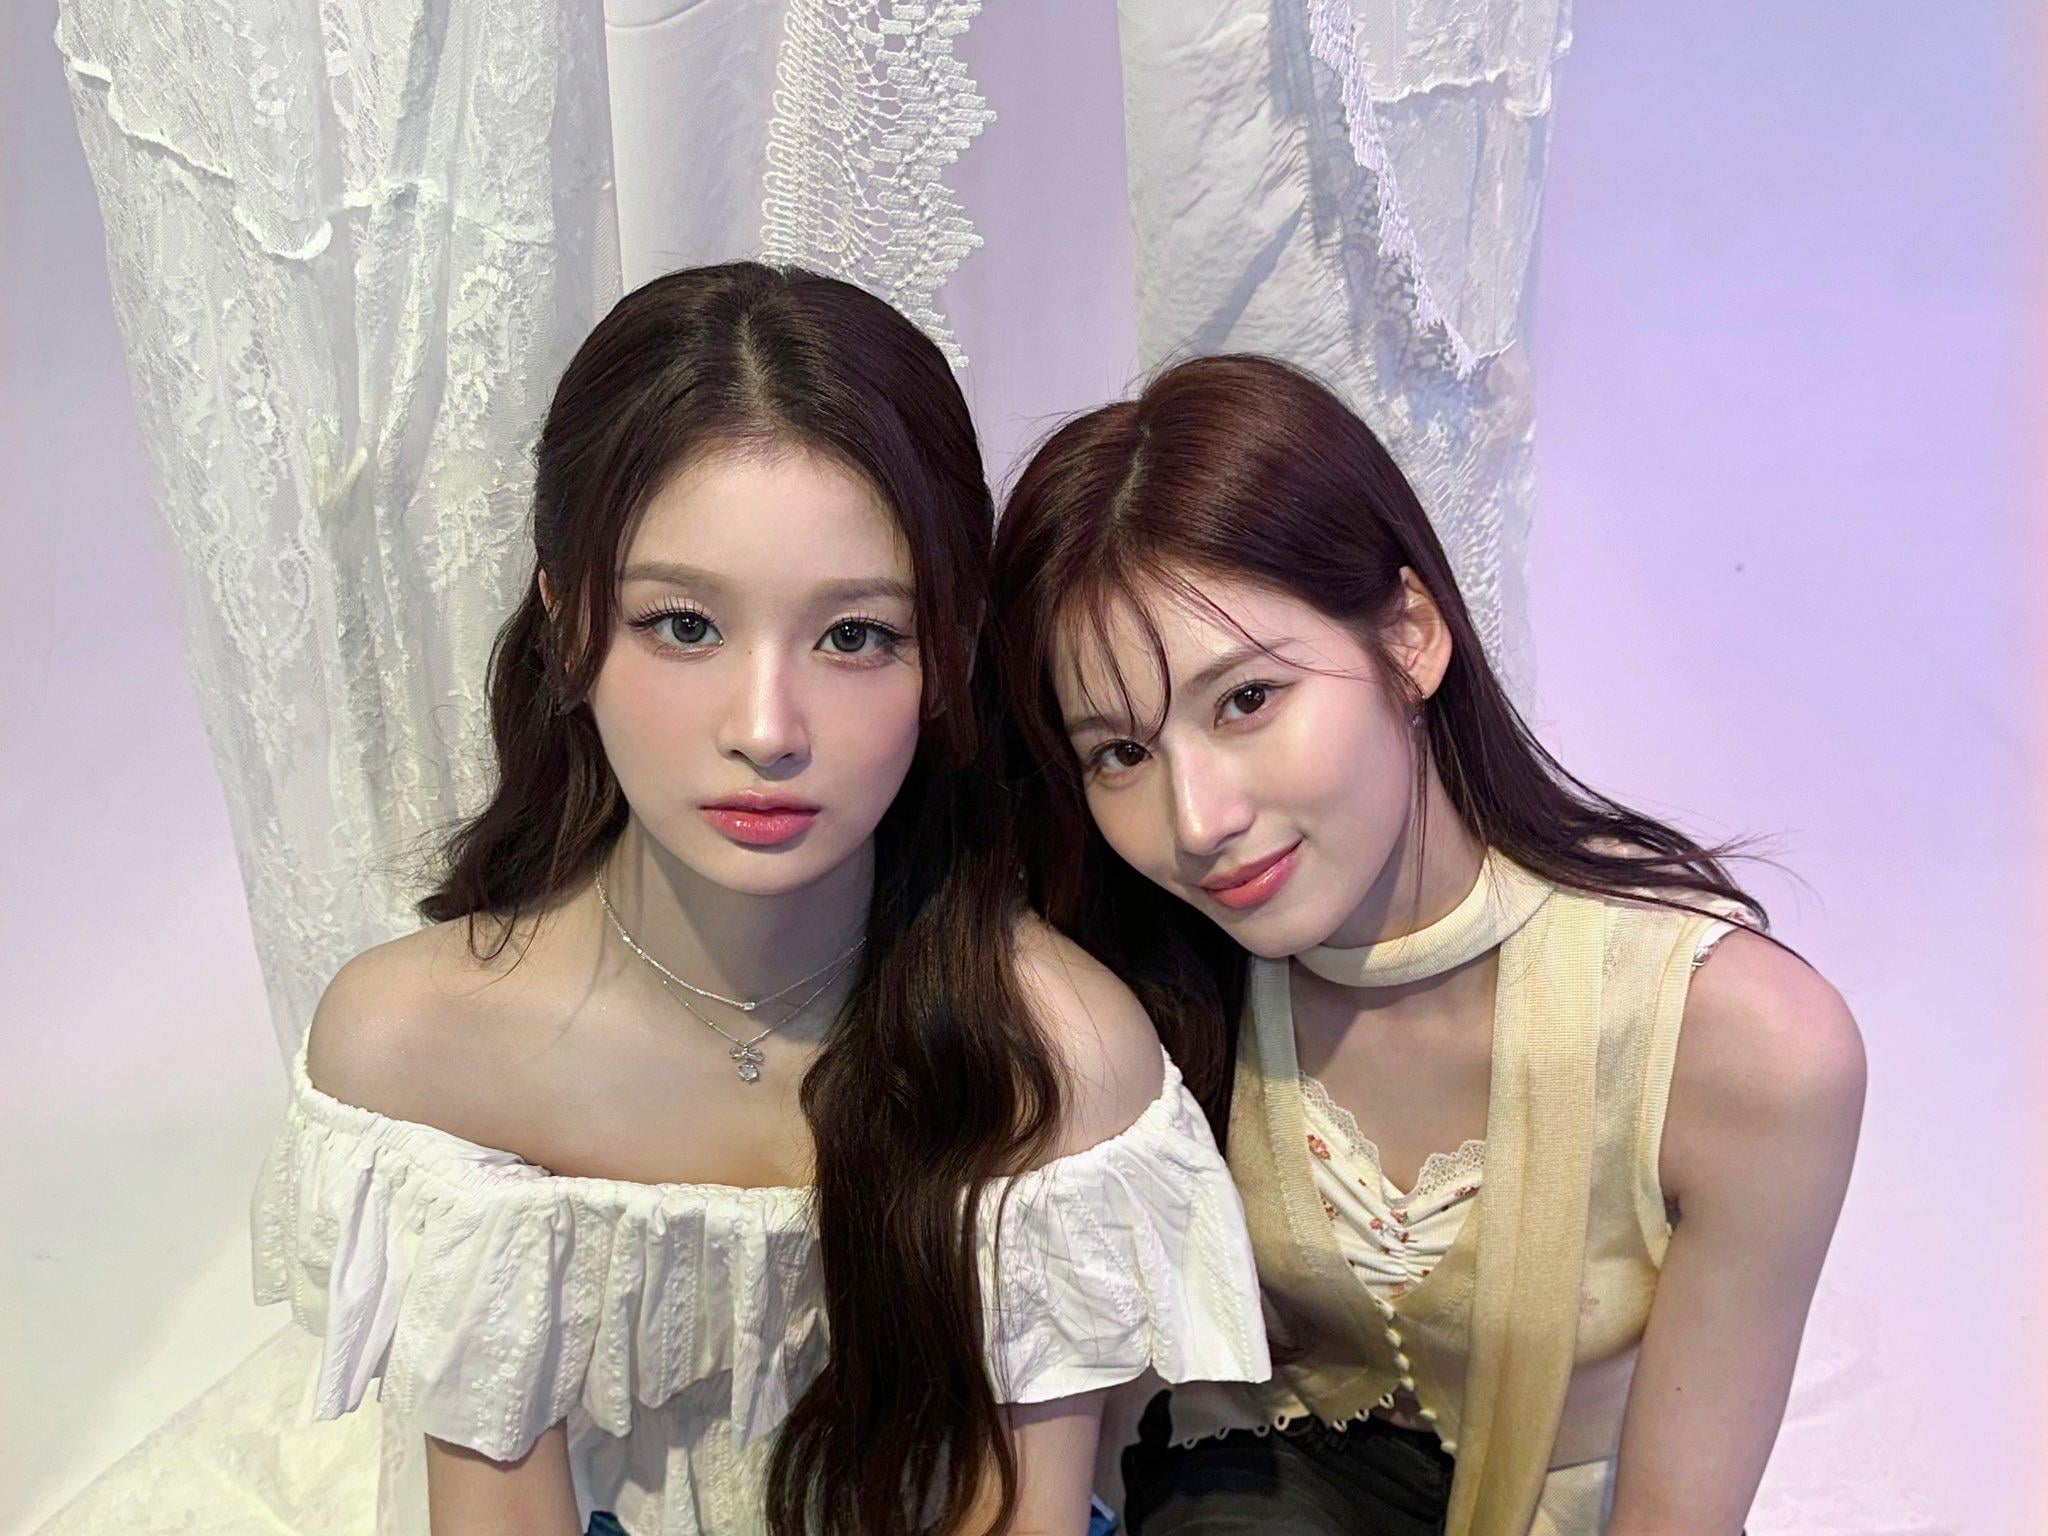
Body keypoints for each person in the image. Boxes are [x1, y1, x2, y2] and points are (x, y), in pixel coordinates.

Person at [253, 266, 1268, 1536]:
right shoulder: (419, 1046)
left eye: (854, 635)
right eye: (683, 624)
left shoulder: (1056, 1054)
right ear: (567, 622)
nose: (766, 728)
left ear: (947, 655)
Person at [987, 353, 1866, 1536]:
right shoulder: (1130, 991)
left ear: (1408, 636)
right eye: (1120, 753)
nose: (1196, 821)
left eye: (1245, 700)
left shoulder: (1741, 1047)